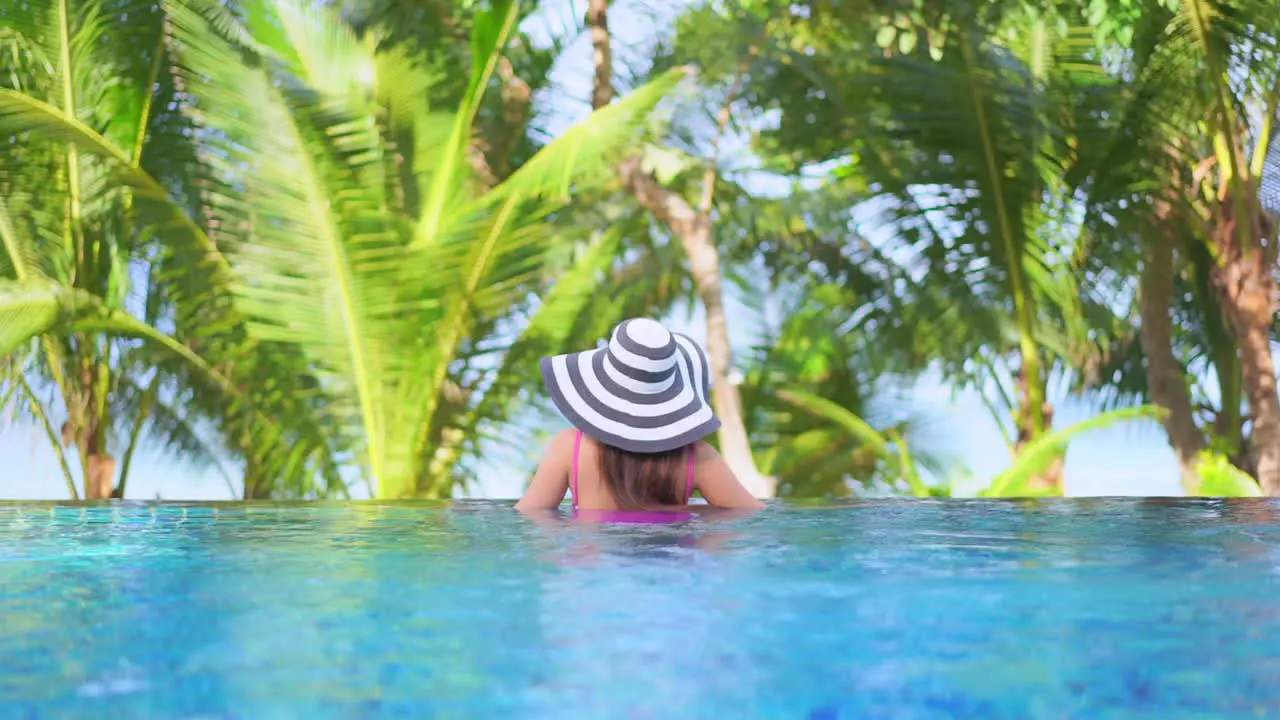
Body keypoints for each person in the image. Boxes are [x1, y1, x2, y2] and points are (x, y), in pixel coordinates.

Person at [515, 318, 764, 515]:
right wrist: (689, 512)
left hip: (591, 573)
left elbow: (530, 515)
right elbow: (751, 514)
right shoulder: (696, 456)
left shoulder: (570, 447)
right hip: (670, 573)